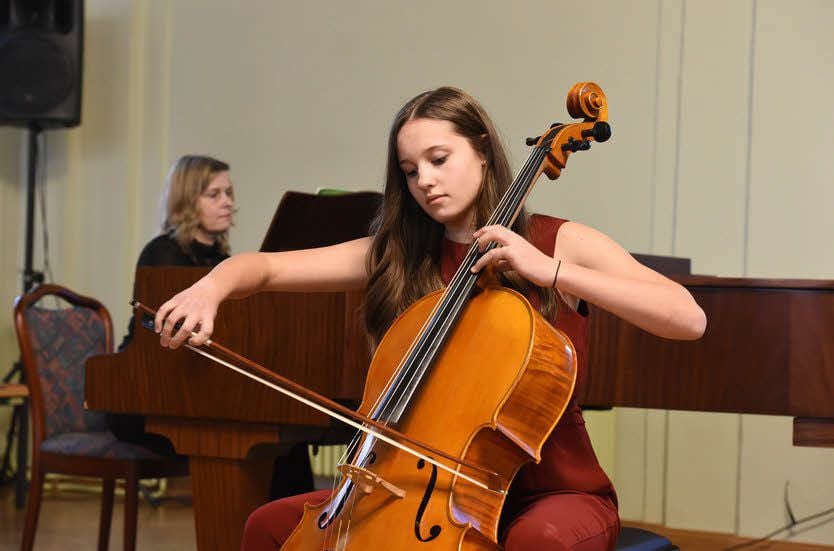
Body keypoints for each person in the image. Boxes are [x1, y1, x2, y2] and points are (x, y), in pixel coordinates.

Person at [153, 87, 706, 550]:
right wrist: (211, 286)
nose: (425, 181)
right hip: (420, 489)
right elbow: (266, 270)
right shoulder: (400, 254)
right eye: (411, 170)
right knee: (269, 526)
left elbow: (687, 318)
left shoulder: (557, 240)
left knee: (538, 543)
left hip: (552, 492)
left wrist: (550, 270)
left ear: (483, 150)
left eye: (439, 160)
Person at [107, 154, 236, 453]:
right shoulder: (163, 254)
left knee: (281, 437)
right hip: (142, 393)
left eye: (229, 193)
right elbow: (163, 339)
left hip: (192, 385)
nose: (227, 202)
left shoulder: (223, 262)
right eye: (214, 194)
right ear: (188, 200)